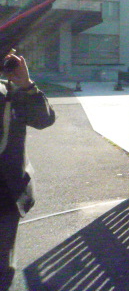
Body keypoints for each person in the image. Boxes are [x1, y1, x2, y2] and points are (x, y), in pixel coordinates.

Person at [0, 53, 56, 290]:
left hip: (6, 192)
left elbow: (43, 120)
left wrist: (26, 85)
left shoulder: (10, 92)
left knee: (2, 265)